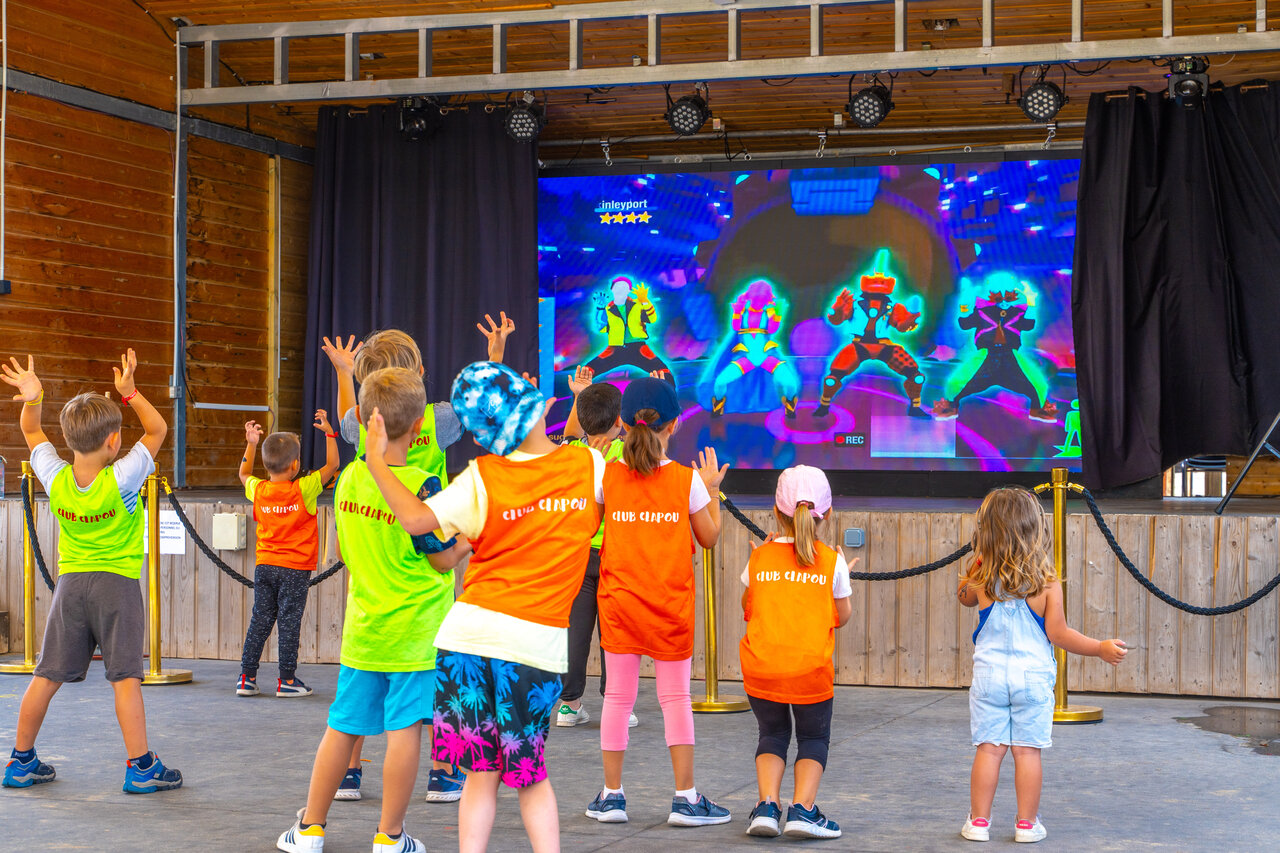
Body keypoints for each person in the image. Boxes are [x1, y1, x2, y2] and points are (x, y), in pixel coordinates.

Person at [362, 360, 603, 853]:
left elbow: (417, 521)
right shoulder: (589, 467)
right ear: (536, 406)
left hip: (467, 641)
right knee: (530, 777)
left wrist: (377, 463)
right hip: (533, 647)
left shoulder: (482, 478)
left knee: (479, 774)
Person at [277, 368, 467, 853]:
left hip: (365, 633)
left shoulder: (348, 480)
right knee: (404, 733)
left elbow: (345, 549)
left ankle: (310, 828)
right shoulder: (424, 487)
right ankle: (389, 837)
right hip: (415, 637)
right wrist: (470, 537)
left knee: (341, 730)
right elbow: (442, 559)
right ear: (420, 427)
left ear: (362, 420)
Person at [320, 318, 508, 802]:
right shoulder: (437, 419)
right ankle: (443, 772)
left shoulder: (360, 430)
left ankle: (349, 771)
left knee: (362, 681)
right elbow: (479, 405)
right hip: (427, 546)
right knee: (435, 677)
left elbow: (347, 418)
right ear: (419, 376)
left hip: (375, 555)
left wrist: (342, 372)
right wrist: (494, 357)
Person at [0, 351, 182, 793]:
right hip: (116, 587)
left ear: (67, 438)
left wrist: (34, 397)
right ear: (114, 442)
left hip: (71, 587)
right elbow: (158, 430)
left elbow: (31, 430)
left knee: (46, 675)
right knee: (125, 679)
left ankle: (20, 761)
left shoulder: (54, 476)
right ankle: (142, 766)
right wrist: (130, 393)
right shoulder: (122, 478)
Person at [585, 376, 731, 828]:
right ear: (675, 424)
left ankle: (611, 796)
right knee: (675, 698)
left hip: (620, 604)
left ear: (623, 424)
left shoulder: (607, 475)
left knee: (617, 698)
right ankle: (686, 798)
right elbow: (709, 537)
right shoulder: (687, 481)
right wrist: (712, 490)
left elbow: (588, 527)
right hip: (669, 607)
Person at [957, 487, 1127, 844]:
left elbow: (964, 598)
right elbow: (1059, 634)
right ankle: (1026, 824)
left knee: (989, 748)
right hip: (1032, 680)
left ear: (987, 531)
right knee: (1026, 751)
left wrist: (976, 562)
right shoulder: (1046, 582)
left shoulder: (983, 577)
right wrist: (1099, 648)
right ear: (1034, 529)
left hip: (989, 678)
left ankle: (979, 822)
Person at [738, 466, 853, 839]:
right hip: (809, 671)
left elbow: (748, 607)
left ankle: (767, 806)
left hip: (762, 670)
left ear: (776, 511)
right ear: (827, 513)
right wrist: (842, 578)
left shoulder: (760, 557)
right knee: (813, 739)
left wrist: (761, 564)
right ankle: (803, 810)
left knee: (771, 734)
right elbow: (841, 617)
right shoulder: (832, 561)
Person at [235, 412, 340, 699]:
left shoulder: (259, 490)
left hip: (265, 566)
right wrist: (330, 434)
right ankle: (287, 680)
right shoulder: (304, 489)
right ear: (295, 465)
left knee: (260, 620)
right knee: (289, 623)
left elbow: (244, 474)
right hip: (295, 569)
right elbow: (333, 465)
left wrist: (251, 444)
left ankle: (246, 677)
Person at [556, 367, 634, 729]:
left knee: (575, 631)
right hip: (615, 554)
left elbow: (572, 433)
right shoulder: (627, 453)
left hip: (576, 555)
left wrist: (578, 396)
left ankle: (569, 705)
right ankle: (617, 704)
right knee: (614, 632)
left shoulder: (571, 452)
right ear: (619, 421)